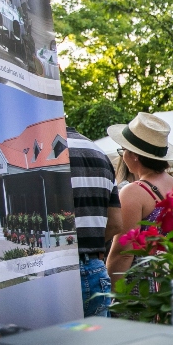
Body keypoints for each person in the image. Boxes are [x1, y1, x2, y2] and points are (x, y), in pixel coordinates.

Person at [105, 113, 173, 279]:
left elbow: (124, 254)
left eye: (123, 150)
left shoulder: (134, 192)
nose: (123, 156)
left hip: (145, 289)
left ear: (134, 155)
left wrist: (113, 295)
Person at [66, 126, 123, 316]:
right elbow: (116, 223)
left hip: (58, 272)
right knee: (96, 344)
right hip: (94, 268)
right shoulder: (99, 153)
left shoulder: (41, 149)